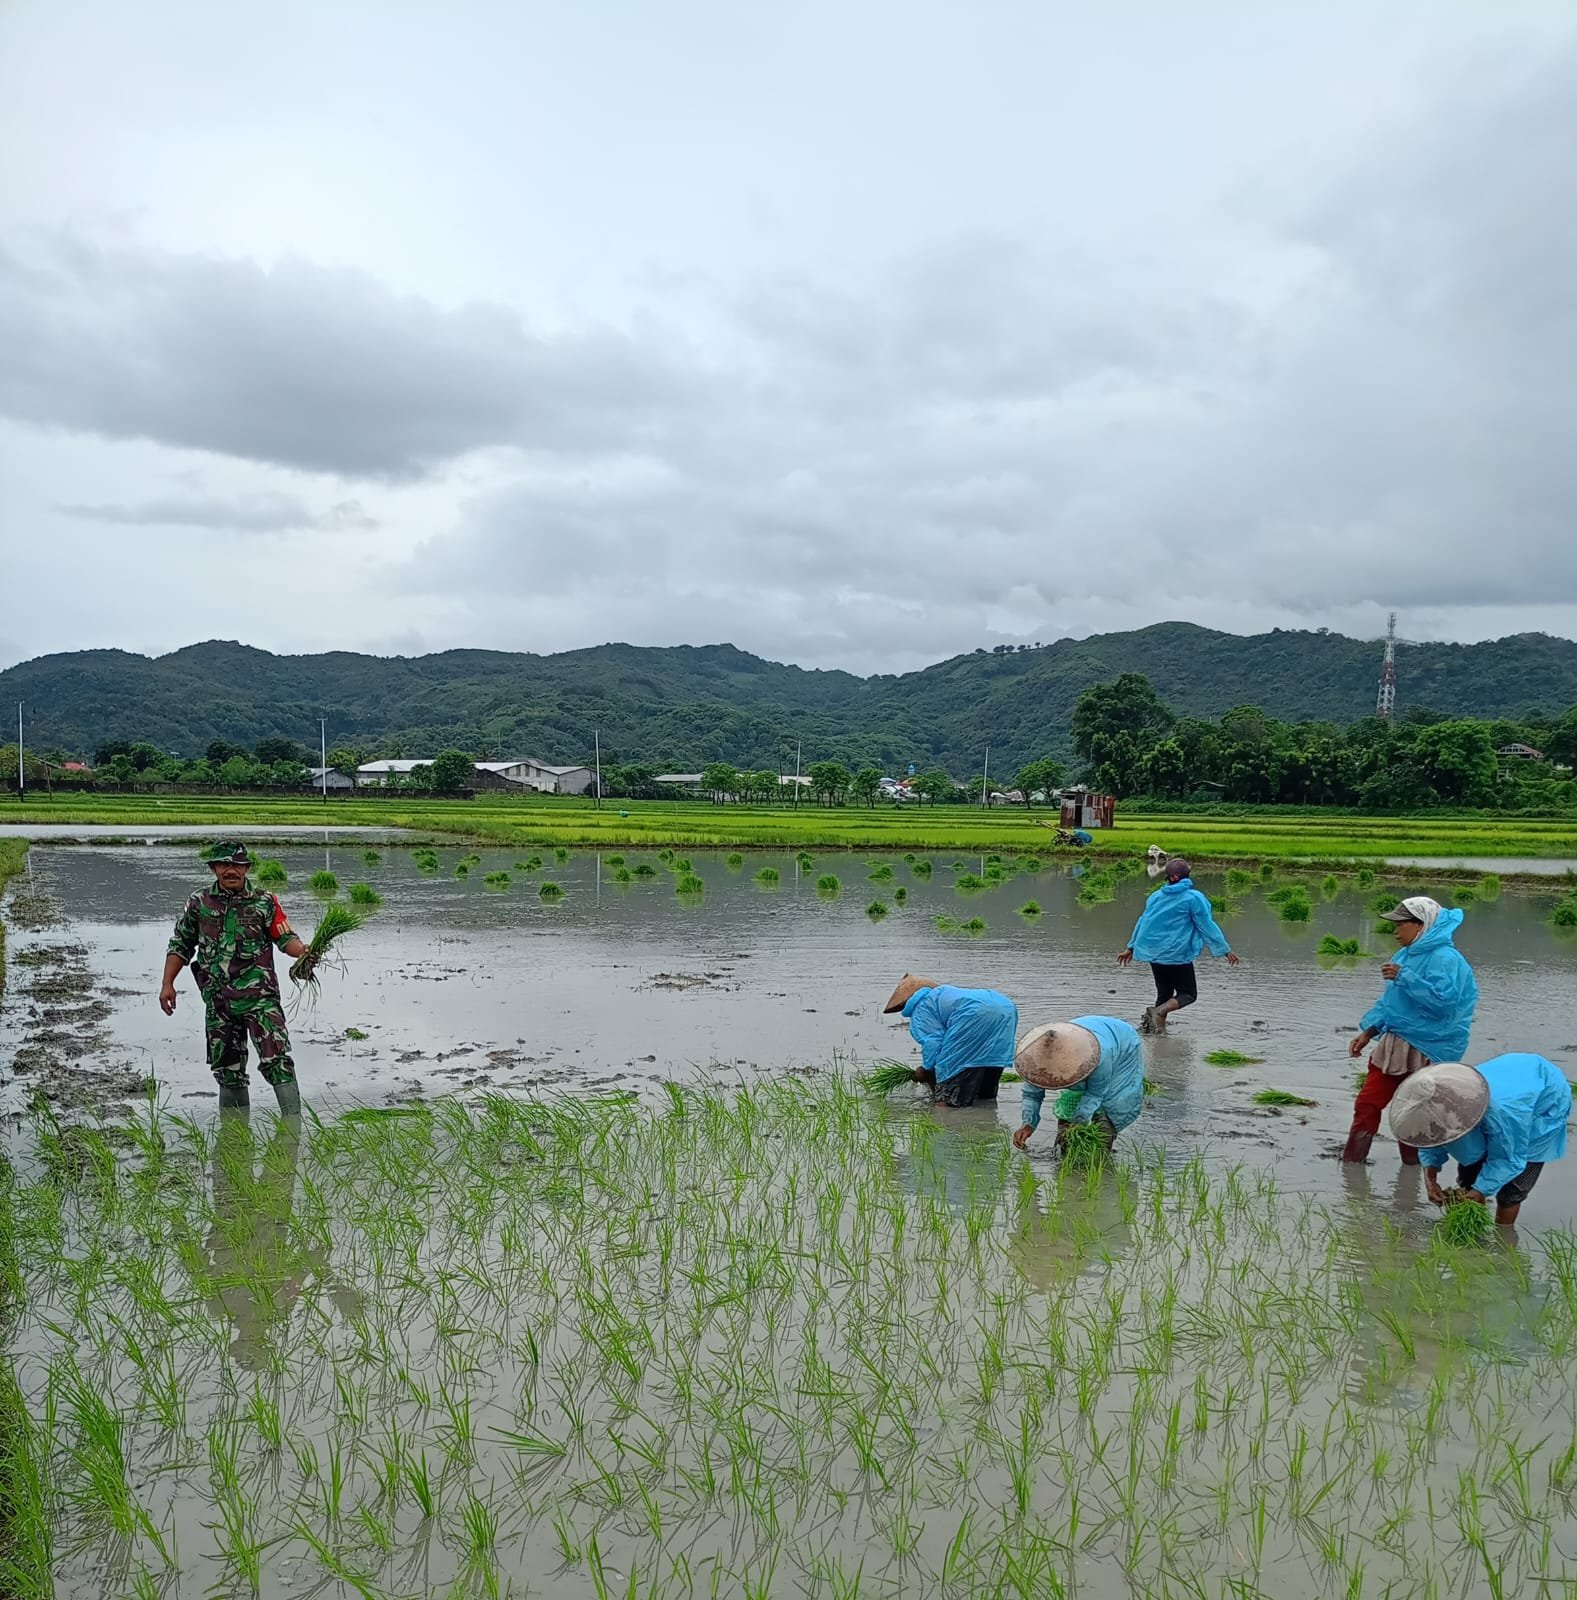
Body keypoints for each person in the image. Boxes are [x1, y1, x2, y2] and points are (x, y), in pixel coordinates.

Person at [160, 840, 315, 1114]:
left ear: (247, 868)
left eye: (237, 865)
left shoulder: (264, 902)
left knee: (277, 1060)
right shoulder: (199, 902)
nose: (230, 870)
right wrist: (167, 984)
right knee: (227, 1070)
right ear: (213, 868)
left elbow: (285, 938)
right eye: (224, 864)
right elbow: (181, 945)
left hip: (260, 1000)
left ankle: (293, 1126)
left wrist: (303, 951)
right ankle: (233, 1134)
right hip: (219, 1001)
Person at [1342, 896, 1478, 1166]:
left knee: (1415, 1113)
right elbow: (1391, 1003)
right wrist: (1369, 1032)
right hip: (1394, 1045)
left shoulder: (1446, 959)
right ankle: (1352, 1165)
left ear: (1421, 925)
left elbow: (1444, 1004)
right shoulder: (1403, 956)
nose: (1395, 932)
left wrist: (1405, 977)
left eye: (1400, 925)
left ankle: (1414, 1169)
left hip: (1428, 1048)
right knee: (1367, 1103)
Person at [1388, 1055, 1571, 1226]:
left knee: (1511, 1191)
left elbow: (1510, 1159)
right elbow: (1431, 1138)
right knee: (1469, 1179)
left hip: (1546, 1098)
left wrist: (1481, 1190)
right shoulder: (1438, 1103)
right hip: (1508, 1077)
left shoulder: (1504, 1115)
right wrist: (1430, 1178)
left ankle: (1503, 1237)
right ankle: (1473, 1225)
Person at [1117, 857, 1240, 1032]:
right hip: (1177, 954)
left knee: (1164, 994)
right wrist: (1224, 949)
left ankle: (1155, 1031)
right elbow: (1206, 925)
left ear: (1170, 877)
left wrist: (1131, 947)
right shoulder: (1193, 898)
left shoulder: (1156, 897)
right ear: (1183, 876)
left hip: (1155, 954)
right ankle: (1157, 1014)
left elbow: (1143, 922)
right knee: (1188, 994)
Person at [1013, 1015, 1145, 1152]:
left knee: (1112, 1102)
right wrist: (1028, 1124)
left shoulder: (1100, 1056)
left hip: (1122, 1042)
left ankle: (1103, 1148)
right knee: (1070, 1110)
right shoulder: (1035, 1061)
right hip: (1074, 1034)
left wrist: (1079, 1123)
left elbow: (1096, 1093)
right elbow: (1032, 1094)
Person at [883, 974, 1018, 1107]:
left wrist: (925, 1069)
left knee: (948, 1102)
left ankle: (947, 1115)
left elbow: (933, 1043)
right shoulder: (944, 995)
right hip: (1006, 1010)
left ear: (905, 1003)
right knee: (984, 1097)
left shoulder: (922, 1007)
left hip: (973, 1015)